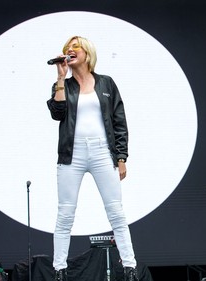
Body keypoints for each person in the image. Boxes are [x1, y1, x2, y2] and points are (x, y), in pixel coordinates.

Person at [47, 35, 138, 281]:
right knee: (65, 214)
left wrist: (121, 157)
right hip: (71, 153)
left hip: (101, 152)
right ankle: (59, 270)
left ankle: (130, 268)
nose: (70, 49)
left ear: (87, 53)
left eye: (76, 46)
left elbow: (119, 121)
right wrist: (59, 78)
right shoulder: (63, 85)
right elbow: (57, 113)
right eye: (68, 47)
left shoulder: (106, 83)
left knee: (116, 212)